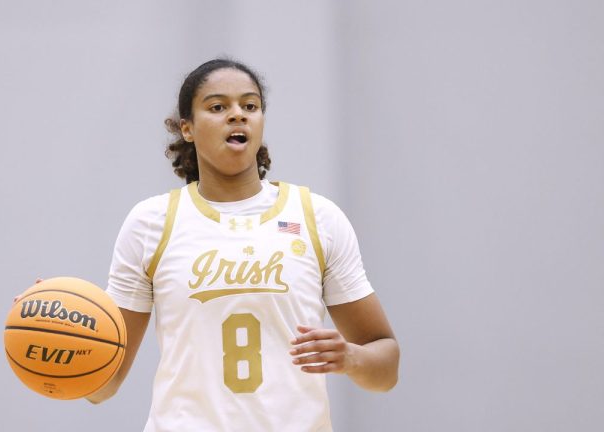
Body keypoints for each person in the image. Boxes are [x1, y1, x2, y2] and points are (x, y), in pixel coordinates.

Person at [92, 59, 399, 431]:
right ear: (187, 128)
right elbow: (103, 384)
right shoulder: (150, 224)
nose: (237, 115)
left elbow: (386, 367)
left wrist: (350, 357)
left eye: (249, 106)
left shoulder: (317, 217)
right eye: (218, 107)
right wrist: (51, 321)